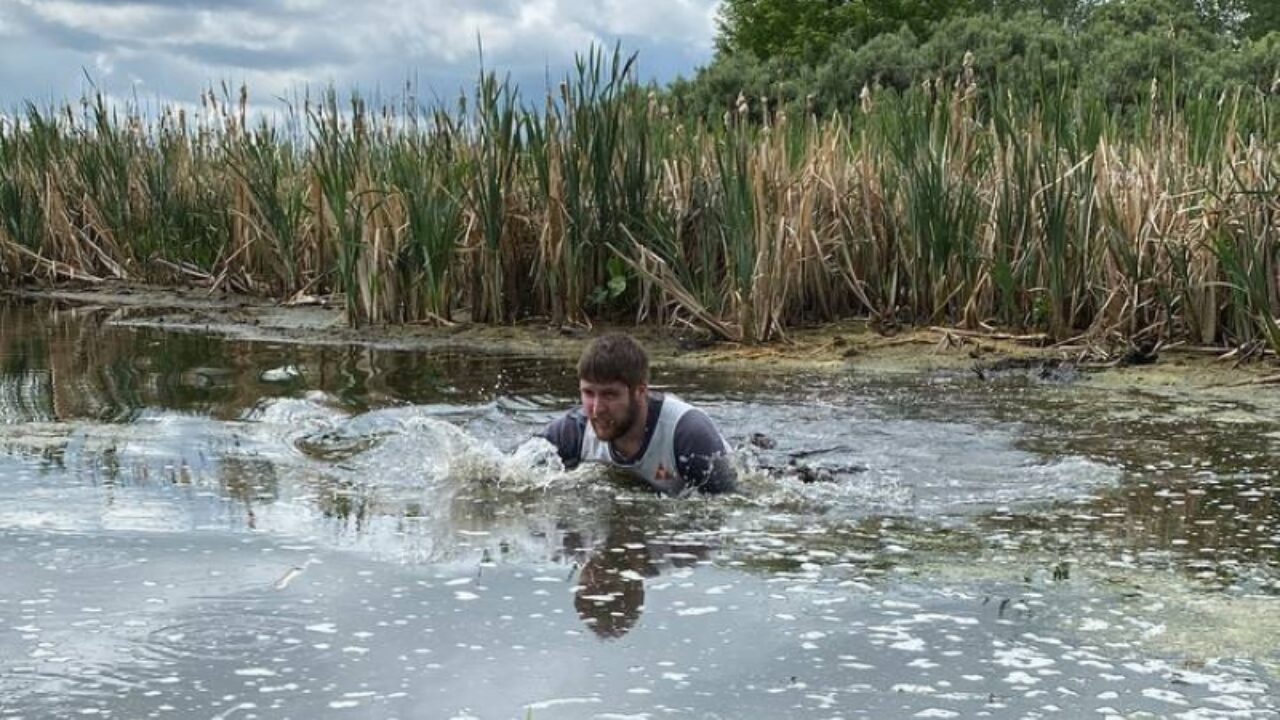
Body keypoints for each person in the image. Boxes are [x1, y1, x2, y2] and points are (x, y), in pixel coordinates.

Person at [539, 333, 736, 495]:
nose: (597, 409)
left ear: (640, 391)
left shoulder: (689, 435)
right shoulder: (572, 431)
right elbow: (514, 475)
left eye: (609, 395)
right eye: (588, 393)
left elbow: (728, 510)